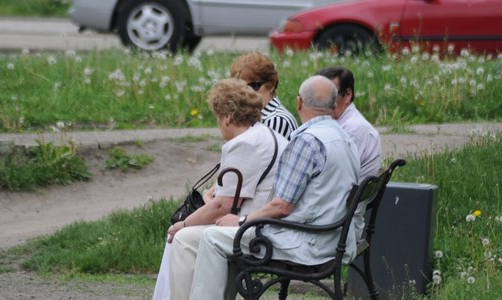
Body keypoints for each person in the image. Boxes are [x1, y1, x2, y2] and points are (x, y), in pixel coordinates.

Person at [180, 75, 360, 299]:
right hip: (334, 238)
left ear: (299, 103)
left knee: (213, 238)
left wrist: (242, 221)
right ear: (334, 105)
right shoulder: (343, 136)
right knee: (227, 234)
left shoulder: (307, 141)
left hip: (309, 243)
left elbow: (281, 207)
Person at [151, 78, 288, 300]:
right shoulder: (263, 134)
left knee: (184, 238)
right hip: (264, 222)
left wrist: (182, 224)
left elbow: (222, 207)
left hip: (256, 228)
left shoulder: (244, 143)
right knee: (197, 234)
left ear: (227, 118)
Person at [316, 67, 382, 241]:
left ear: (347, 95)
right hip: (337, 218)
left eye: (330, 96)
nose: (323, 102)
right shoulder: (339, 124)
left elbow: (332, 184)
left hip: (340, 227)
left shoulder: (352, 131)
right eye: (317, 96)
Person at [229, 51, 298, 140]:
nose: (245, 93)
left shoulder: (276, 120)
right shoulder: (255, 116)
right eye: (239, 88)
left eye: (252, 86)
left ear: (271, 86)